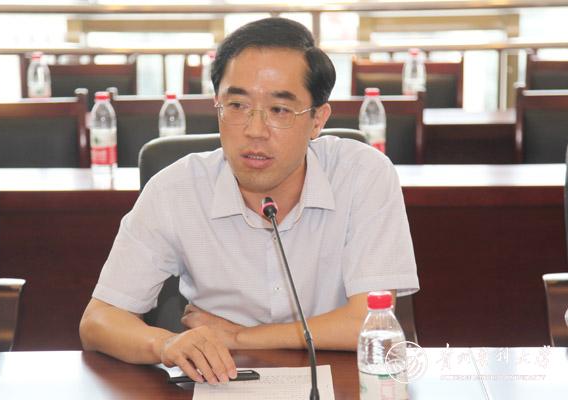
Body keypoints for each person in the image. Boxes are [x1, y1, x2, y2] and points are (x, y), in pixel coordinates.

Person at [80, 17, 419, 385]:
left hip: (341, 383)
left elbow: (369, 324)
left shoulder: (363, 174)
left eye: (280, 110)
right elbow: (98, 321)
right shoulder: (175, 190)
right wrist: (166, 344)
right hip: (218, 383)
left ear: (318, 120)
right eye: (237, 105)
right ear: (217, 106)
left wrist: (241, 337)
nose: (255, 130)